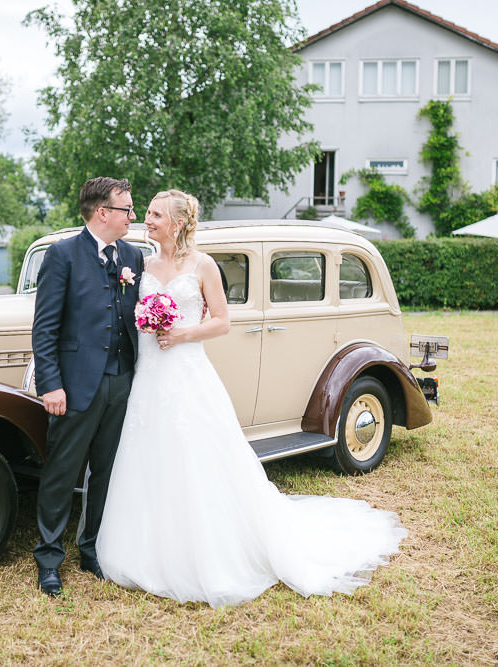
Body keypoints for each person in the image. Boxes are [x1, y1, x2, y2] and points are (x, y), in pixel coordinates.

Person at [96, 189, 407, 608]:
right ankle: (144, 541)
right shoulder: (142, 264)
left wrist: (183, 332)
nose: (145, 219)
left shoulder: (203, 265)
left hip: (186, 369)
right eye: (145, 212)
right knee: (146, 451)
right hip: (148, 373)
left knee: (194, 452)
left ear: (178, 222)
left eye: (153, 214)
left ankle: (204, 546)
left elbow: (222, 321)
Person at [31, 177, 145, 597]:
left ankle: (91, 549)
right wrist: (51, 385)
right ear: (103, 212)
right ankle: (48, 559)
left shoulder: (133, 255)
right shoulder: (62, 255)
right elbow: (44, 329)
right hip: (75, 385)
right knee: (62, 472)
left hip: (122, 379)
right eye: (126, 209)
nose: (132, 216)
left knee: (106, 471)